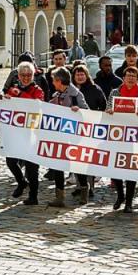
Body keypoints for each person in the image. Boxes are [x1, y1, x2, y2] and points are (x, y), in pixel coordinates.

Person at [105, 66, 138, 213]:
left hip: (133, 139)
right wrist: (109, 112)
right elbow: (108, 108)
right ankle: (120, 195)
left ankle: (129, 202)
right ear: (123, 78)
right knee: (115, 168)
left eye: (134, 76)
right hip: (117, 137)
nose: (130, 78)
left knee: (131, 170)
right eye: (128, 75)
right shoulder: (114, 93)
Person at [45, 67, 89, 207]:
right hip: (60, 137)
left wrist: (79, 111)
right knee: (58, 165)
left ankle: (84, 192)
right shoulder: (57, 95)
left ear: (59, 81)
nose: (52, 83)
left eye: (54, 80)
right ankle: (59, 197)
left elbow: (87, 112)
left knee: (77, 165)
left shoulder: (76, 95)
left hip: (74, 138)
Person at [3, 62, 45, 204]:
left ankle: (33, 196)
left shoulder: (38, 90)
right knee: (10, 161)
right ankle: (21, 182)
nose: (26, 78)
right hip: (16, 133)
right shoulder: (12, 89)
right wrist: (5, 100)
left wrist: (21, 94)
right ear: (18, 76)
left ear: (33, 75)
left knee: (32, 166)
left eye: (29, 75)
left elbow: (36, 105)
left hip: (32, 133)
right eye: (23, 75)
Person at [72, 65, 107, 203]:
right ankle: (79, 185)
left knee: (88, 158)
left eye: (82, 74)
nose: (80, 77)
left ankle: (90, 186)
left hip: (91, 128)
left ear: (86, 75)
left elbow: (103, 105)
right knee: (75, 157)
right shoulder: (70, 90)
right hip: (74, 129)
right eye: (77, 75)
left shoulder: (95, 89)